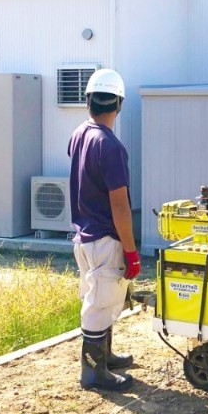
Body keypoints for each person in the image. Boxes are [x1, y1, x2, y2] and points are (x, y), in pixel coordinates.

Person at [67, 68, 141, 392]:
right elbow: (120, 206)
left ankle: (105, 357)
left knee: (103, 297)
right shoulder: (111, 147)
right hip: (104, 238)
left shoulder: (79, 134)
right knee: (100, 304)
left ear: (88, 100)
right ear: (119, 104)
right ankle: (94, 372)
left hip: (83, 235)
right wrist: (131, 251)